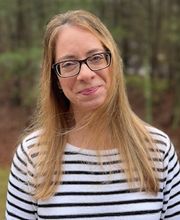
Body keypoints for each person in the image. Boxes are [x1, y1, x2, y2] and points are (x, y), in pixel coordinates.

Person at [6, 10, 180, 220]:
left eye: (96, 57)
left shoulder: (158, 151)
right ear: (55, 79)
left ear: (113, 62)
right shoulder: (31, 157)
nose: (86, 74)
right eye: (68, 64)